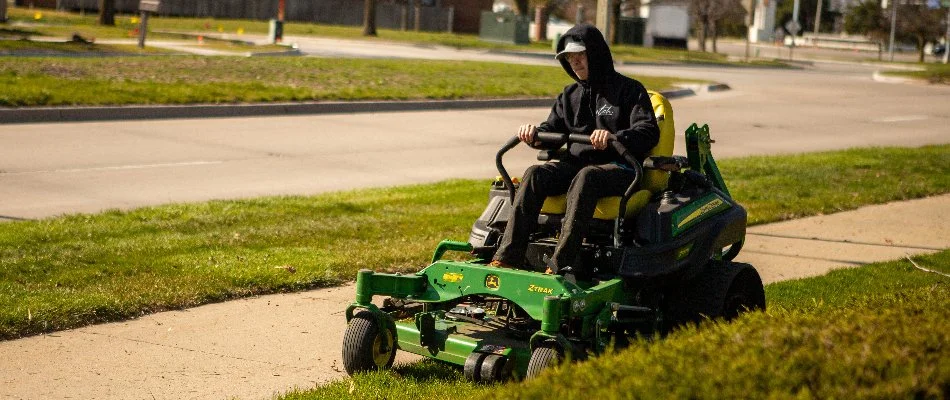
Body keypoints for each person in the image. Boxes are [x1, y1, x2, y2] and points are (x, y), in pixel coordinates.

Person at [490, 24, 660, 278]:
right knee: (535, 173)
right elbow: (552, 129)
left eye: (580, 55)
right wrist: (534, 135)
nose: (575, 62)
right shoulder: (569, 95)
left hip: (620, 167)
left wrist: (615, 138)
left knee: (587, 177)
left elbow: (648, 131)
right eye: (569, 58)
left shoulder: (630, 90)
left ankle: (560, 265)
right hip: (576, 164)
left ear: (596, 54)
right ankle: (507, 257)